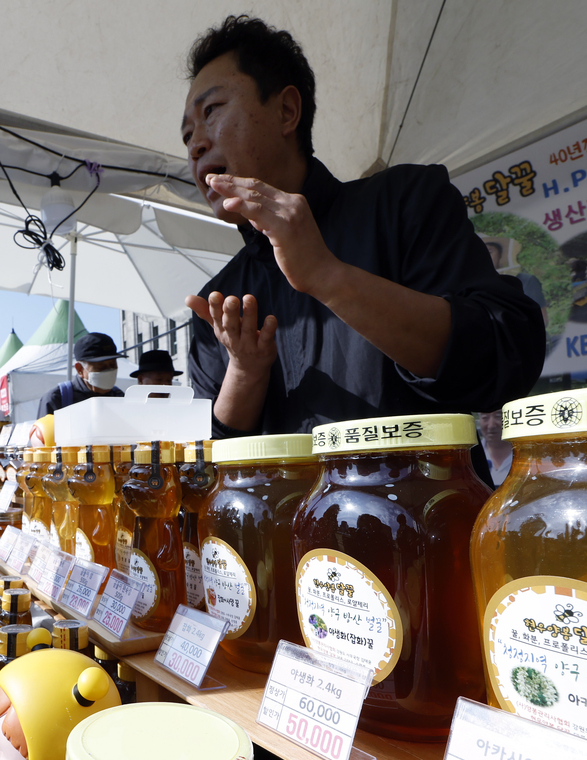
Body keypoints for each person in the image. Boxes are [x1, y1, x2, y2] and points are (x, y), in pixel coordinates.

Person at [181, 17, 545, 438]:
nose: (196, 145)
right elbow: (208, 456)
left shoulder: (404, 200)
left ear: (287, 111)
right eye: (187, 135)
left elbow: (504, 355)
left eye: (211, 111)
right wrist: (244, 372)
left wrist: (327, 275)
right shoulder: (216, 300)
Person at [35, 333, 124, 416]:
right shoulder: (56, 399)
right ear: (80, 369)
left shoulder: (120, 397)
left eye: (113, 364)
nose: (109, 370)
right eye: (101, 366)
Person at [485, 240, 548, 325]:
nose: (484, 256)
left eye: (489, 252)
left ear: (501, 254)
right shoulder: (475, 286)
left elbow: (542, 319)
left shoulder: (526, 280)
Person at [476, 409, 512, 485]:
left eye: (498, 416)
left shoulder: (526, 456)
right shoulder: (471, 456)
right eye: (485, 417)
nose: (491, 425)